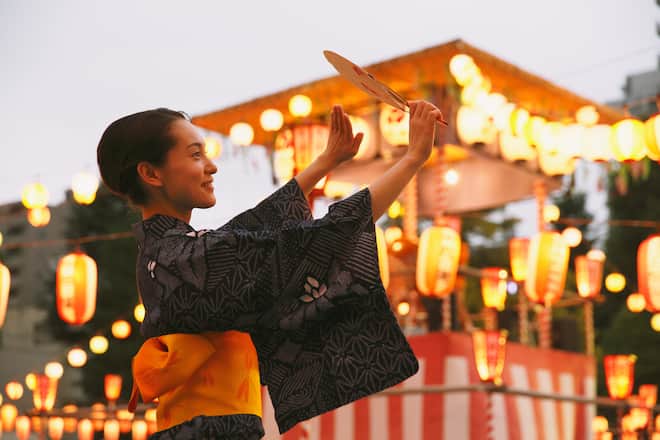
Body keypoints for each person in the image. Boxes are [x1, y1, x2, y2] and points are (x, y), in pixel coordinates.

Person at [97, 101, 443, 439]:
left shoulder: (172, 253)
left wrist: (325, 162)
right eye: (195, 154)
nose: (212, 166)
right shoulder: (187, 257)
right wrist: (412, 158)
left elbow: (249, 228)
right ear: (150, 173)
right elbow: (316, 239)